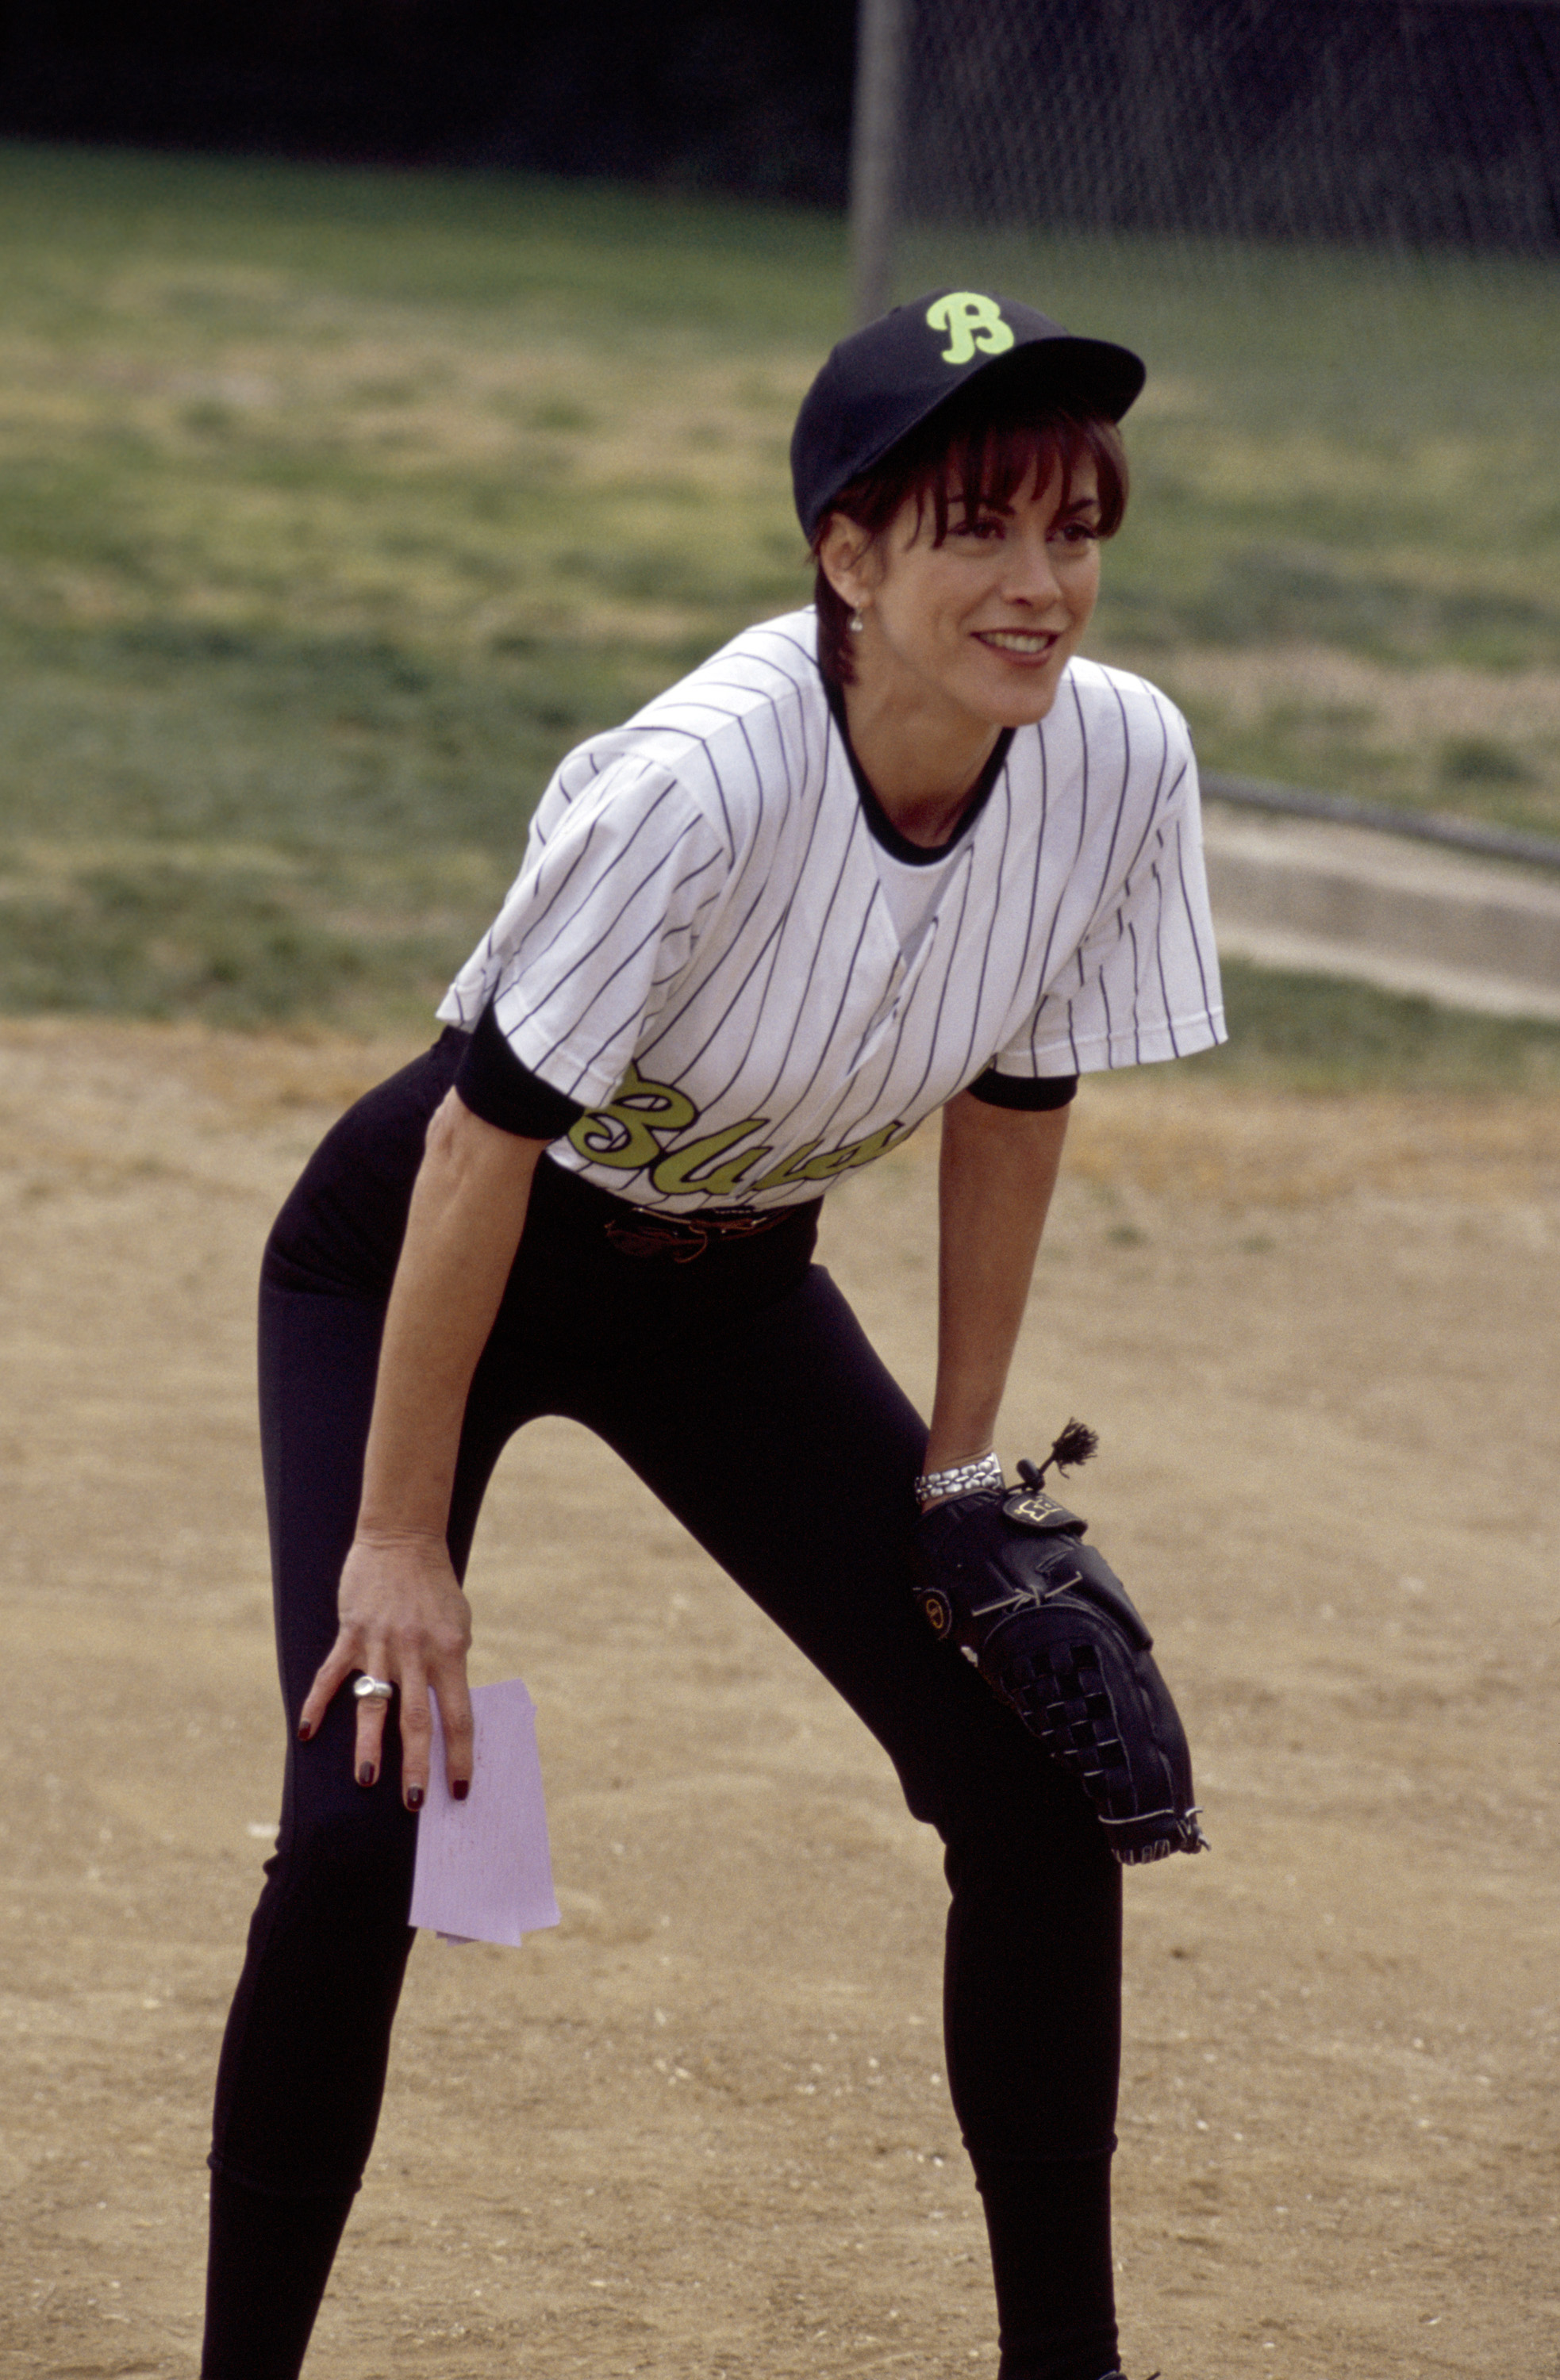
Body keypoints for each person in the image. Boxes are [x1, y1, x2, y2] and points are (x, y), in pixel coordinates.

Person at [202, 287, 1224, 2380]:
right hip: (430, 1255)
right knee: (363, 1822)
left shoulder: (1113, 760)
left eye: (1073, 529)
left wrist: (958, 1473)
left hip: (730, 1287)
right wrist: (405, 1544)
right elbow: (482, 1144)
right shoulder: (703, 781)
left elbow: (1018, 1100)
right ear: (849, 558)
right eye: (977, 531)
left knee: (1027, 1790)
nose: (1040, 587)